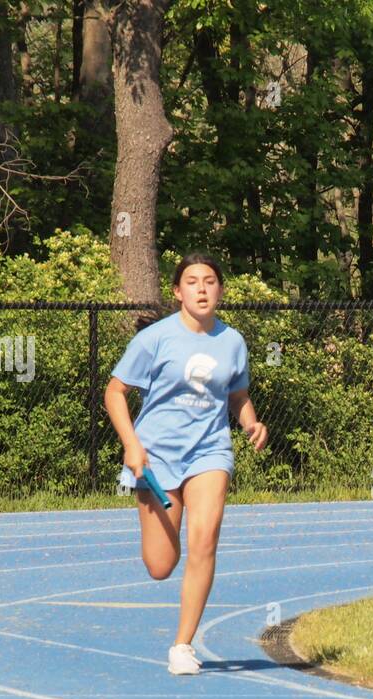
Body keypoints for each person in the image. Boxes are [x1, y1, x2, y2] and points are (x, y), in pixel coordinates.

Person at [104, 252, 267, 674]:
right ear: (177, 292)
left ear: (220, 290)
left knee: (206, 538)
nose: (201, 288)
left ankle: (183, 645)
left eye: (210, 281)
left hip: (209, 451)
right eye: (192, 281)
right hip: (155, 456)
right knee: (160, 565)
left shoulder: (233, 341)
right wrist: (132, 445)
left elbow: (238, 396)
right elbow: (114, 392)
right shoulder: (154, 339)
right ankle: (167, 538)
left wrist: (250, 423)